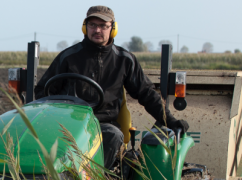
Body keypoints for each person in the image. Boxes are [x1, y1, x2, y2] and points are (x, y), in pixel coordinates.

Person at [33, 5, 188, 170]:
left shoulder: (124, 60)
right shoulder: (68, 57)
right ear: (85, 27)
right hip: (70, 123)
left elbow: (146, 93)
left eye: (103, 26)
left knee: (113, 136)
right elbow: (43, 92)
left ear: (113, 29)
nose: (97, 30)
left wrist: (170, 121)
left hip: (104, 125)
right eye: (92, 25)